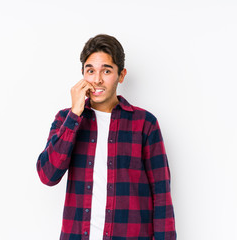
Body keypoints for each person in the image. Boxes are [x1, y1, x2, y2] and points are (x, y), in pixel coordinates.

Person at [36, 34, 176, 240]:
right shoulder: (66, 119)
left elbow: (161, 195)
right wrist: (75, 114)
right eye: (90, 70)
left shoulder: (145, 124)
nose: (97, 79)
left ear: (121, 75)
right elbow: (48, 175)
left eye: (107, 71)